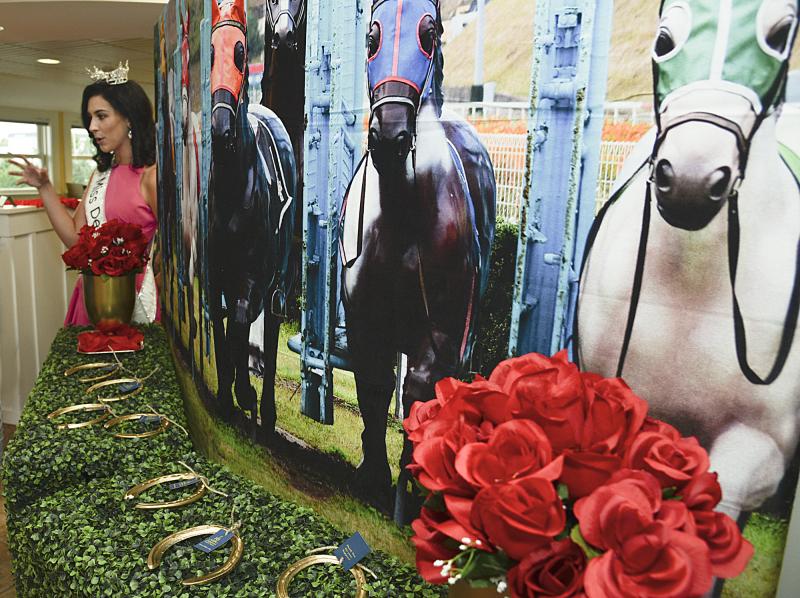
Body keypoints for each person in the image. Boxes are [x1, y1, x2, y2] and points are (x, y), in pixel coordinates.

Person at [11, 73, 160, 326]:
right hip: (94, 299)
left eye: (101, 116)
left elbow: (174, 257)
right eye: (90, 118)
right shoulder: (100, 175)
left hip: (138, 302)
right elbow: (74, 239)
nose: (92, 127)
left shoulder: (152, 177)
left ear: (129, 117)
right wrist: (45, 188)